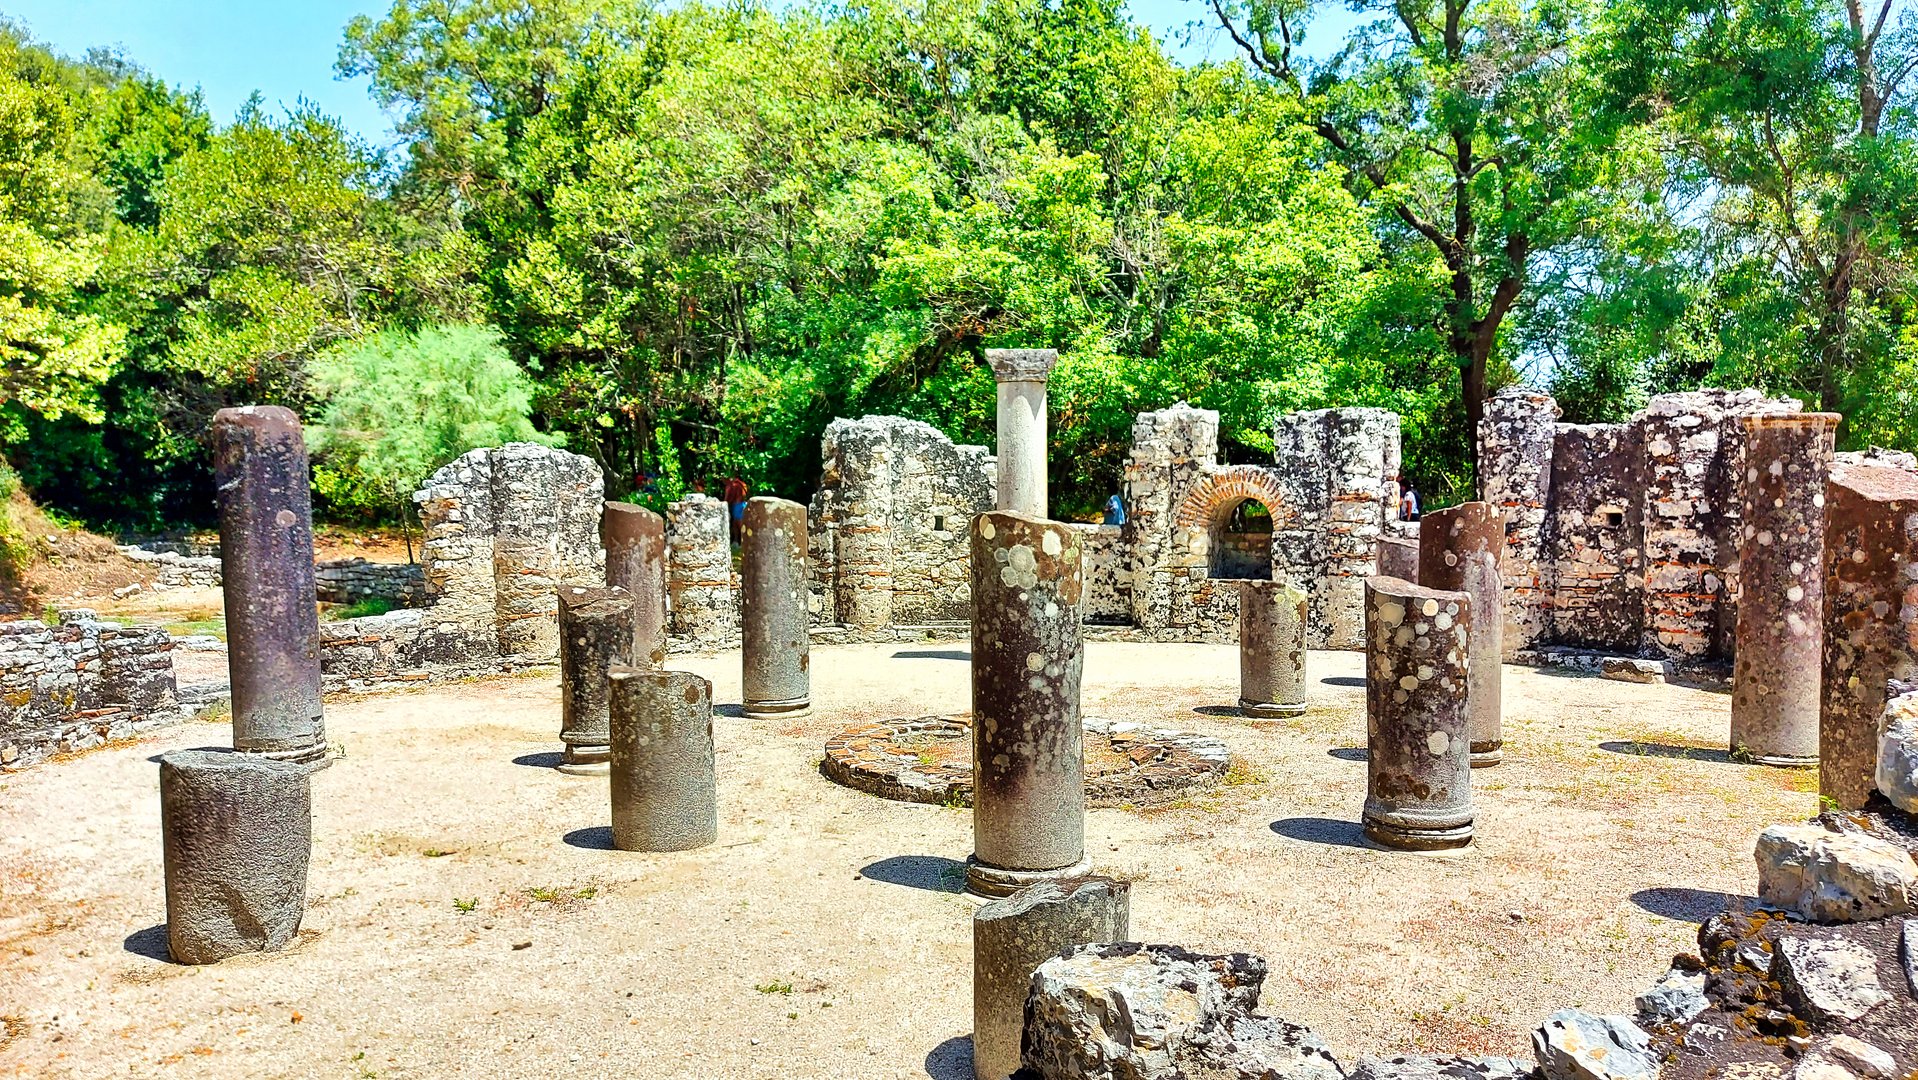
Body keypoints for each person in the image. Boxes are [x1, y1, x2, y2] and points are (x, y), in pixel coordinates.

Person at [723, 476, 749, 543]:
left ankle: (738, 541)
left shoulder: (731, 485)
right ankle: (740, 541)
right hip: (743, 504)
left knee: (737, 524)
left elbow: (727, 498)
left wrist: (725, 505)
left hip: (737, 505)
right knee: (740, 523)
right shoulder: (742, 484)